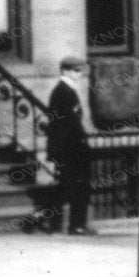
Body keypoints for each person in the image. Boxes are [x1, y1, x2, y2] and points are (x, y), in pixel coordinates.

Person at [45, 57, 95, 235]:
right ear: (65, 71)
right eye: (75, 70)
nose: (79, 74)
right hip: (70, 149)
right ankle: (74, 225)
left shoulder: (67, 90)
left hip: (71, 147)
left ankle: (75, 224)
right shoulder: (62, 92)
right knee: (75, 186)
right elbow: (64, 124)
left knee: (75, 185)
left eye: (80, 70)